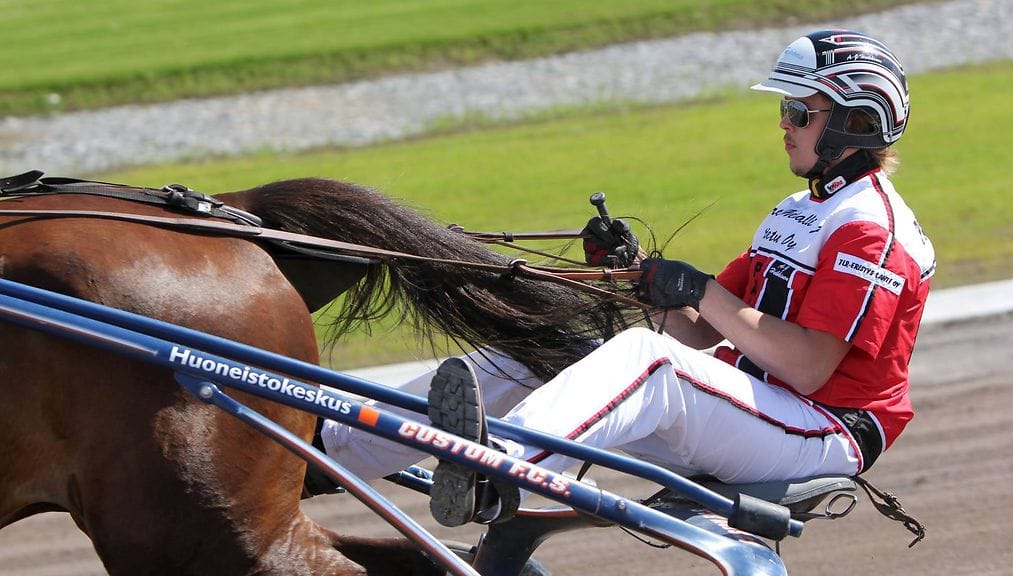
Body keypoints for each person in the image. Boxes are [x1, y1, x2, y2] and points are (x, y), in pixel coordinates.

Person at [316, 29, 936, 527]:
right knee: (537, 350)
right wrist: (637, 273)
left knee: (647, 358)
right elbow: (698, 335)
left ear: (856, 122)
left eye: (800, 111)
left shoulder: (869, 229)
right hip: (754, 415)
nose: (784, 123)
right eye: (785, 108)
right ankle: (330, 448)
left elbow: (806, 369)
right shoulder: (800, 211)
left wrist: (701, 289)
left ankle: (496, 469)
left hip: (821, 431)